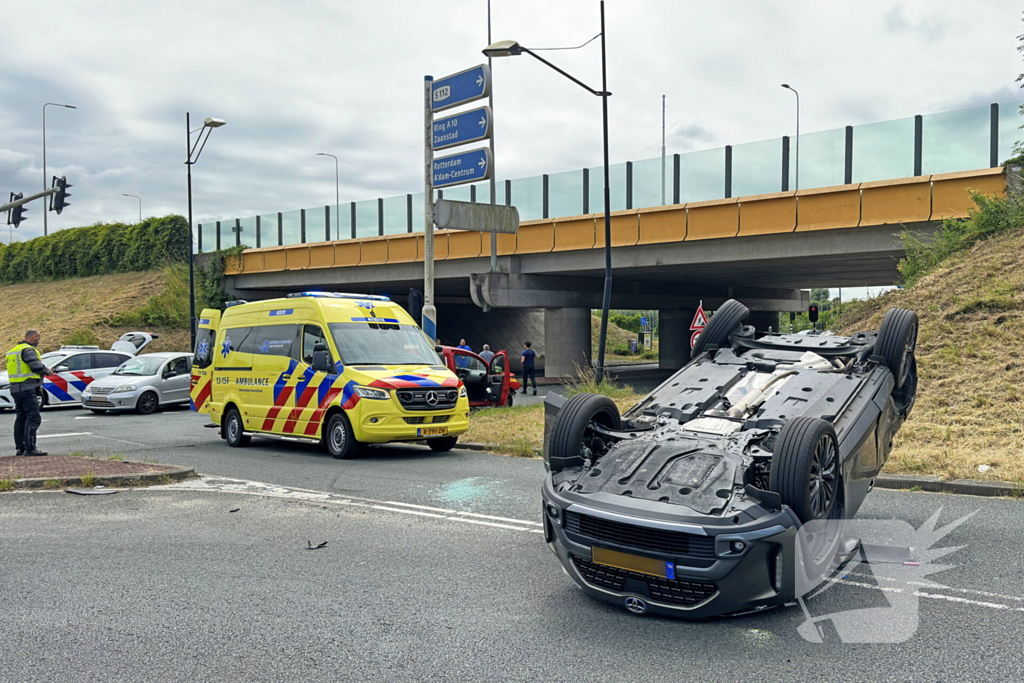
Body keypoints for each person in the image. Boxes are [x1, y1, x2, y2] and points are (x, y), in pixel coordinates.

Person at [6, 329, 55, 456]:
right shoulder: (28, 350)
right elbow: (36, 367)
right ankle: (30, 448)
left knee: (21, 417)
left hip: (16, 389)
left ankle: (20, 447)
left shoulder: (12, 351)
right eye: (38, 338)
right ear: (34, 337)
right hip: (27, 388)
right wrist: (48, 371)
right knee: (33, 418)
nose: (39, 341)